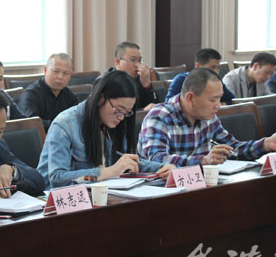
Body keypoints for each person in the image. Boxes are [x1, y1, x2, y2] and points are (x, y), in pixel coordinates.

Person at [37, 70, 175, 189]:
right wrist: (111, 171)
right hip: (58, 200)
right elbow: (57, 179)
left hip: (101, 193)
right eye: (118, 110)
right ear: (100, 98)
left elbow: (126, 162)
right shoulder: (65, 124)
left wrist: (161, 167)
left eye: (127, 112)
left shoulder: (114, 123)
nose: (121, 117)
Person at [138, 68, 276, 166]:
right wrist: (203, 161)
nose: (218, 105)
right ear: (190, 98)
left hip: (197, 187)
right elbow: (156, 160)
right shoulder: (160, 116)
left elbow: (233, 148)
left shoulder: (208, 116)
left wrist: (266, 144)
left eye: (219, 98)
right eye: (213, 100)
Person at [17, 53, 79, 131]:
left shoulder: (68, 94)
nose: (60, 77)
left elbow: (79, 117)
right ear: (45, 70)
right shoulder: (30, 95)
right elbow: (31, 124)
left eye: (66, 73)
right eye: (56, 71)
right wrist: (63, 125)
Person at [165, 48, 235, 104]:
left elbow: (232, 101)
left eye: (218, 68)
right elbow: (169, 103)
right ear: (198, 66)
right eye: (212, 67)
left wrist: (219, 104)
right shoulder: (181, 79)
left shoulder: (216, 82)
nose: (216, 72)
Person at [108, 41, 156, 110]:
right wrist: (141, 111)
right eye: (133, 60)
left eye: (139, 60)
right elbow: (115, 112)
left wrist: (147, 85)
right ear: (118, 62)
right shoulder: (106, 82)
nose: (137, 65)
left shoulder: (140, 78)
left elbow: (154, 107)